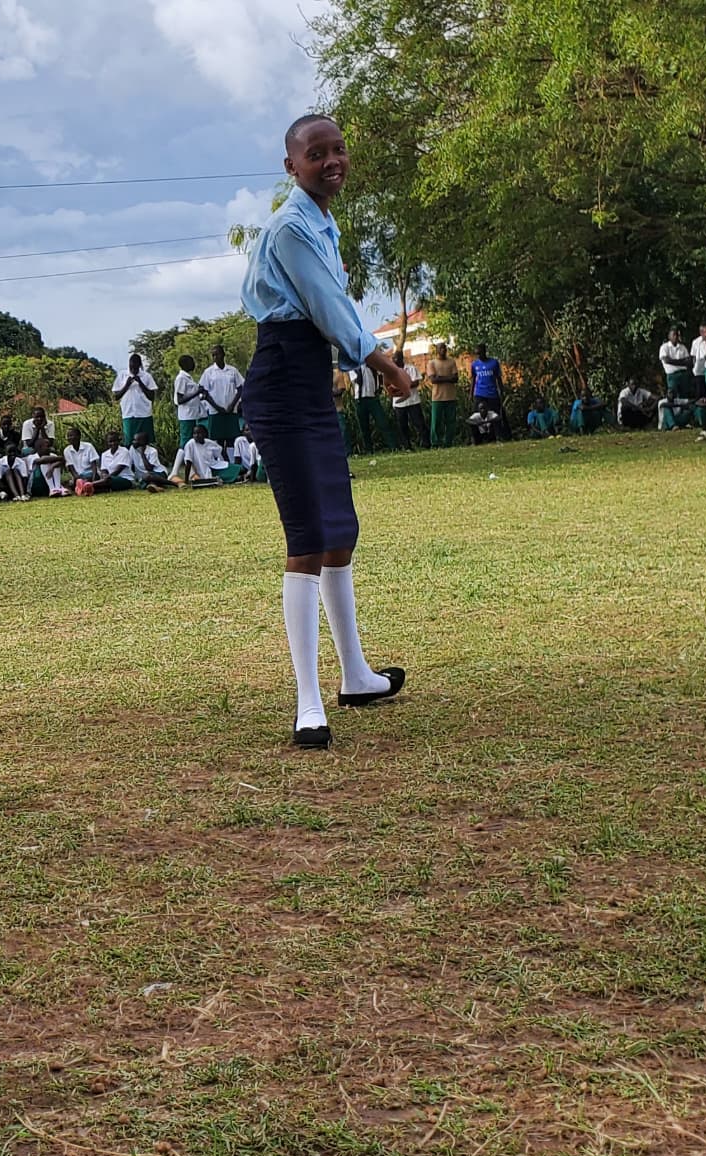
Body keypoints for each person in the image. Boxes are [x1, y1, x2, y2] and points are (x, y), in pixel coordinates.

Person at [242, 116, 409, 749]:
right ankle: (308, 702)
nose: (331, 161)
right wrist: (380, 361)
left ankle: (357, 676)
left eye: (338, 149)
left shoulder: (320, 220)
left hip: (309, 381)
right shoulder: (290, 227)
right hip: (282, 383)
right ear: (292, 166)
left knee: (341, 531)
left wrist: (366, 355)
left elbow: (333, 314)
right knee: (308, 537)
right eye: (317, 154)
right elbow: (327, 308)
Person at [201, 348, 247, 449]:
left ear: (223, 354)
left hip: (231, 410)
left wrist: (232, 405)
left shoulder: (232, 370)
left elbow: (240, 388)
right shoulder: (208, 372)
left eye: (217, 354)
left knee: (232, 438)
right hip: (215, 411)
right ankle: (220, 462)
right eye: (213, 355)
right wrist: (217, 407)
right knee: (218, 440)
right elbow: (204, 392)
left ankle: (232, 462)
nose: (215, 357)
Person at [114, 353, 160, 448]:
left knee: (147, 442)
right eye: (131, 367)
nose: (133, 370)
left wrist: (140, 382)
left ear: (140, 366)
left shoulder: (146, 376)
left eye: (135, 368)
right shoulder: (122, 375)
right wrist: (126, 385)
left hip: (144, 413)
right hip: (129, 414)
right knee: (130, 442)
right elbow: (116, 396)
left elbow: (151, 396)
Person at [172, 354, 214, 453]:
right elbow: (180, 399)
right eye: (192, 362)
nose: (194, 364)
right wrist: (197, 392)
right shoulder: (181, 378)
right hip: (187, 416)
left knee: (193, 442)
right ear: (185, 364)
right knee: (186, 442)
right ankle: (177, 467)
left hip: (193, 414)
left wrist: (201, 396)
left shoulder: (188, 378)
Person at [423, 343, 463, 448]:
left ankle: (448, 442)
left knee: (451, 421)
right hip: (437, 398)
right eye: (441, 348)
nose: (443, 350)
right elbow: (433, 380)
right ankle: (436, 443)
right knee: (436, 421)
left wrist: (440, 377)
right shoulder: (432, 363)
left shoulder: (451, 362)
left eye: (445, 348)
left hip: (451, 396)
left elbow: (455, 378)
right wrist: (448, 378)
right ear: (436, 350)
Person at [466, 346, 503, 444]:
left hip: (492, 393)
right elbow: (473, 379)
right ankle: (476, 439)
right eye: (477, 354)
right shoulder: (474, 364)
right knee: (476, 416)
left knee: (495, 416)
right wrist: (471, 394)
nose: (479, 355)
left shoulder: (494, 363)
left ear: (485, 352)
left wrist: (501, 391)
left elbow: (498, 378)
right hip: (479, 393)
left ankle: (498, 437)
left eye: (480, 353)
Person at [658, 328, 696, 407]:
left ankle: (684, 414)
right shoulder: (664, 347)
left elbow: (689, 361)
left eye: (677, 335)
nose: (675, 337)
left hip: (683, 375)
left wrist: (674, 361)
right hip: (672, 375)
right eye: (673, 335)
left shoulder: (682, 347)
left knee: (685, 396)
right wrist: (682, 362)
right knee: (672, 396)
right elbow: (666, 360)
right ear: (669, 336)